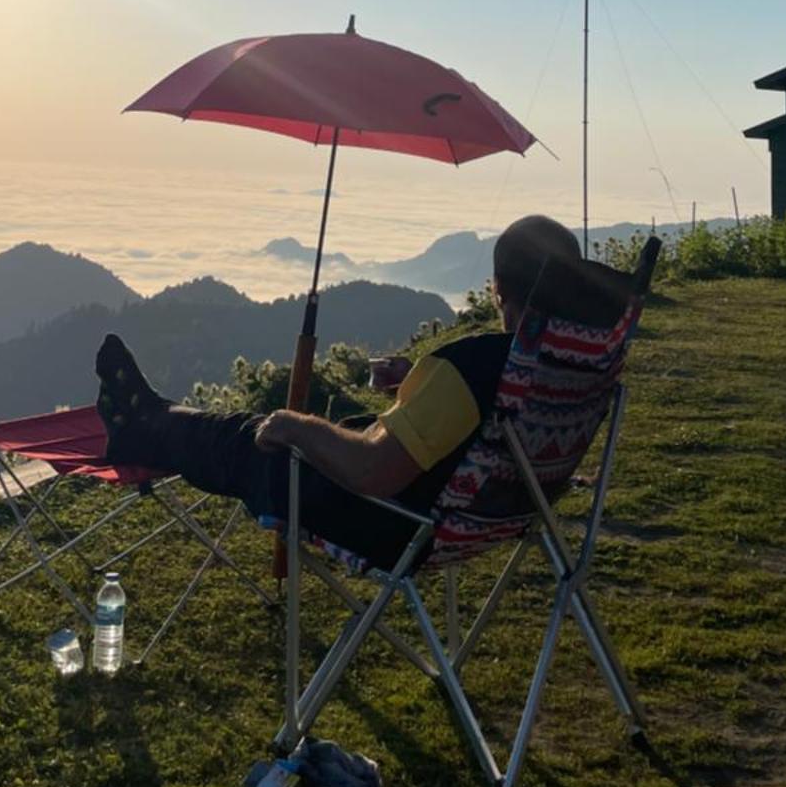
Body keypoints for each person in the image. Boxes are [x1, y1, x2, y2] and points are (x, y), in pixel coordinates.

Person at [95, 212, 629, 570]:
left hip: (395, 526)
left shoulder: (470, 366)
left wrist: (292, 423)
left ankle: (146, 424)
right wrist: (418, 383)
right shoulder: (574, 364)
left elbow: (373, 473)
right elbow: (485, 421)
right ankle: (156, 417)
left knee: (251, 438)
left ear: (499, 290)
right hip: (493, 514)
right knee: (309, 433)